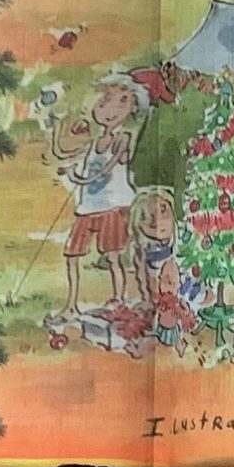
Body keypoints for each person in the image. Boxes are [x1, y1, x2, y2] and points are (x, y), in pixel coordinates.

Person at [46, 74, 147, 315]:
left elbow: (108, 167)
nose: (110, 110)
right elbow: (60, 152)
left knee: (113, 256)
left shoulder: (123, 138)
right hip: (88, 208)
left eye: (122, 103)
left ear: (132, 108)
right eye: (104, 103)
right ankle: (71, 305)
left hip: (113, 208)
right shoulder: (93, 143)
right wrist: (56, 127)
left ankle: (118, 300)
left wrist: (80, 178)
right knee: (71, 255)